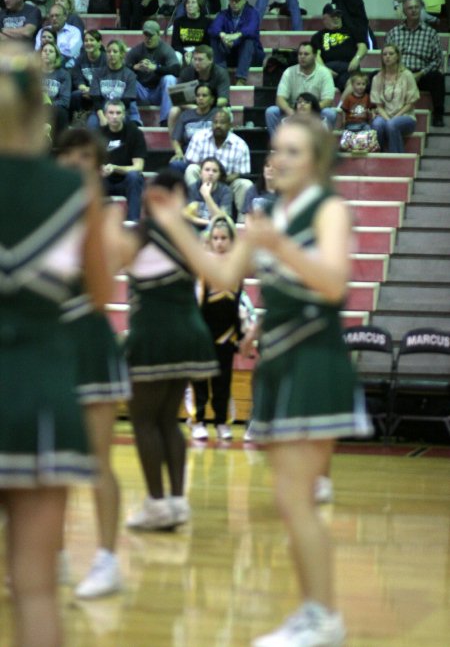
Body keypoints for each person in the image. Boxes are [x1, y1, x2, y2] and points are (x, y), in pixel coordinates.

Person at [146, 113, 371, 647]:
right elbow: (223, 275)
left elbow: (334, 282)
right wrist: (177, 224)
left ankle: (323, 616)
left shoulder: (329, 209)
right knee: (291, 500)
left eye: (294, 151)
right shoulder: (268, 214)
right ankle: (313, 612)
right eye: (278, 150)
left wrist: (278, 245)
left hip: (315, 359)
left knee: (297, 499)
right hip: (279, 362)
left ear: (316, 159)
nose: (281, 159)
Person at [0, 43, 110, 647]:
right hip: (44, 391)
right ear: (40, 108)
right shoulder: (75, 193)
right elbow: (98, 294)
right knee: (36, 585)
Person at [55, 127, 130, 600]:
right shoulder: (43, 209)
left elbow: (106, 270)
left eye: (88, 157)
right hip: (49, 342)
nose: (78, 163)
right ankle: (53, 552)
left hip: (89, 336)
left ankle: (106, 559)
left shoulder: (104, 214)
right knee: (51, 459)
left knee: (97, 460)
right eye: (70, 155)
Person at [124, 170, 219, 531]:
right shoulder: (190, 236)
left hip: (155, 333)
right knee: (167, 418)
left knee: (143, 419)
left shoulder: (144, 233)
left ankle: (156, 503)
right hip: (188, 332)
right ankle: (177, 502)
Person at [191, 216, 251, 442]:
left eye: (224, 238)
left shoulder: (237, 266)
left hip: (227, 332)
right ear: (209, 241)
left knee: (222, 381)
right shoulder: (203, 265)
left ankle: (220, 422)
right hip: (202, 330)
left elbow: (238, 302)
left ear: (231, 241)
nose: (219, 242)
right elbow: (197, 300)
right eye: (215, 238)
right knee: (199, 380)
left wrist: (243, 329)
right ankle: (197, 420)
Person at [386, 0, 445, 126]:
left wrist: (421, 73)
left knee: (438, 77)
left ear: (421, 9)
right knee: (374, 76)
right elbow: (387, 56)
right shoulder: (394, 33)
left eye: (416, 7)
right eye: (410, 8)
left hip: (420, 76)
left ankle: (438, 116)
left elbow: (437, 60)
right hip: (398, 74)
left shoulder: (431, 33)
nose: (414, 10)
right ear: (404, 11)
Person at [184, 109, 253, 220]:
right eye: (215, 122)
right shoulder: (199, 137)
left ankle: (242, 224)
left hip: (227, 182)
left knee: (246, 184)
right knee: (191, 169)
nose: (218, 125)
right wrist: (207, 177)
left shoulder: (240, 145)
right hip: (202, 180)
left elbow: (239, 173)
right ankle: (195, 207)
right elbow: (193, 161)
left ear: (230, 125)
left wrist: (218, 179)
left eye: (222, 123)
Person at [265, 42, 337, 136]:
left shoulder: (324, 73)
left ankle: (322, 147)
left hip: (315, 112)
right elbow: (280, 99)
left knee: (330, 113)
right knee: (271, 112)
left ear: (315, 56)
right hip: (293, 112)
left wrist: (310, 110)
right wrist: (291, 111)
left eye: (306, 54)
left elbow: (328, 100)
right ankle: (278, 146)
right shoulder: (289, 72)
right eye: (300, 54)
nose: (302, 56)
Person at [125, 20, 180, 126]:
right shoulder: (137, 50)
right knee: (128, 78)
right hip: (142, 92)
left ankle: (165, 120)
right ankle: (134, 119)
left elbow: (176, 70)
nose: (148, 39)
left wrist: (155, 68)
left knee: (170, 78)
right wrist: (135, 67)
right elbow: (121, 70)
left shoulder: (165, 49)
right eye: (145, 35)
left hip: (158, 92)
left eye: (151, 35)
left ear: (158, 34)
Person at [169, 44, 230, 138]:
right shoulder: (187, 72)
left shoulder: (221, 73)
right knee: (174, 111)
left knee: (226, 111)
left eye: (200, 59)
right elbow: (177, 98)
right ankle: (176, 147)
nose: (196, 62)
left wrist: (206, 105)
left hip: (213, 107)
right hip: (192, 107)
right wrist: (195, 107)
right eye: (195, 59)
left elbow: (223, 100)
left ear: (211, 60)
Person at [100, 99, 147, 221]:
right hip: (106, 181)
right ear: (105, 115)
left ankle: (133, 222)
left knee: (134, 176)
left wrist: (115, 168)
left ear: (124, 114)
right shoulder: (98, 134)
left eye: (118, 113)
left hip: (126, 182)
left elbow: (138, 167)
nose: (114, 116)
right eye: (111, 113)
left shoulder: (135, 133)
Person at [209, 0, 265, 86]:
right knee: (215, 38)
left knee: (249, 40)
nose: (234, 3)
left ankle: (241, 80)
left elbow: (251, 30)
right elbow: (213, 28)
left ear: (244, 0)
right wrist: (222, 35)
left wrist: (236, 37)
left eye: (237, 0)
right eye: (232, 0)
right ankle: (221, 76)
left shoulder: (253, 13)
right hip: (231, 54)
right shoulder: (224, 14)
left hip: (251, 56)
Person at [370, 44, 419, 152]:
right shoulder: (377, 77)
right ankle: (379, 156)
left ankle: (397, 158)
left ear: (397, 56)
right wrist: (388, 119)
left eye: (391, 54)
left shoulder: (407, 75)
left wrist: (394, 118)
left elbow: (411, 103)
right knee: (377, 124)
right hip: (384, 115)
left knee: (392, 124)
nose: (387, 56)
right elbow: (378, 105)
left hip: (406, 116)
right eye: (384, 54)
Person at [311, 3, 367, 92]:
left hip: (348, 68)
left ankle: (341, 105)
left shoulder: (351, 30)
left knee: (354, 83)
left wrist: (357, 58)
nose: (337, 18)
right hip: (327, 68)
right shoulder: (318, 36)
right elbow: (316, 56)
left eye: (338, 15)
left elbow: (362, 47)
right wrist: (324, 70)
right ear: (325, 18)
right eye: (333, 15)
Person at [88, 39, 142, 128]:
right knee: (92, 124)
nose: (111, 54)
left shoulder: (130, 75)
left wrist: (114, 115)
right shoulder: (98, 73)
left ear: (122, 54)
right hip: (101, 110)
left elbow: (127, 101)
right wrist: (102, 117)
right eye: (109, 52)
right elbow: (96, 99)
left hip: (120, 110)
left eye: (115, 51)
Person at [170, 84, 219, 169]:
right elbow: (176, 138)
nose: (200, 98)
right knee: (175, 164)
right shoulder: (185, 115)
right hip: (190, 156)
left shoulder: (218, 114)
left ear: (212, 99)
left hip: (212, 156)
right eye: (198, 95)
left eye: (204, 95)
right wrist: (179, 152)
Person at [186, 157, 233, 227]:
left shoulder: (225, 191)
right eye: (207, 170)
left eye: (215, 171)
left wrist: (207, 196)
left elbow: (222, 220)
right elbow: (187, 216)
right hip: (195, 229)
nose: (210, 173)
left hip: (217, 231)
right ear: (200, 173)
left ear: (219, 175)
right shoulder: (192, 188)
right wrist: (209, 223)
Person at [70, 29, 107, 115]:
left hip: (102, 91)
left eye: (92, 40)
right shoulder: (80, 59)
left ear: (99, 43)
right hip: (85, 91)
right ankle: (78, 117)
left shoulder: (106, 59)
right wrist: (84, 88)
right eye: (86, 40)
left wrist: (93, 90)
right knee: (75, 95)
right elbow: (77, 79)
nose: (88, 43)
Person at [35, 4, 82, 68]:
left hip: (67, 69)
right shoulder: (43, 31)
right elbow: (38, 51)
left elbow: (69, 53)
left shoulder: (74, 31)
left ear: (65, 16)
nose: (54, 18)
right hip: (44, 68)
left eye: (57, 15)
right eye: (52, 16)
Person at [41, 42, 71, 136]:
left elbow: (65, 100)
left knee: (61, 112)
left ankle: (59, 146)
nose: (47, 53)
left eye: (51, 51)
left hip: (55, 108)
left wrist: (48, 105)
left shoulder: (64, 74)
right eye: (45, 51)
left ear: (57, 56)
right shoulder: (34, 73)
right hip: (36, 106)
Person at [171, 0, 211, 65]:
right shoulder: (178, 21)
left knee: (197, 60)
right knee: (176, 57)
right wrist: (185, 53)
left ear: (199, 6)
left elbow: (207, 44)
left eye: (193, 2)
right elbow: (175, 44)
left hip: (199, 51)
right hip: (183, 51)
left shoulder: (207, 22)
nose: (190, 5)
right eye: (188, 3)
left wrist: (194, 53)